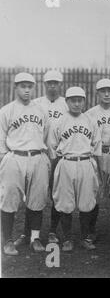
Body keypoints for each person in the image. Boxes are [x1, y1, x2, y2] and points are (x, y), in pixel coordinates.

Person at [13, 70, 68, 247]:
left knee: (57, 195)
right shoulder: (35, 104)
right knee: (33, 194)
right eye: (49, 82)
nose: (52, 85)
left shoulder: (66, 105)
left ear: (60, 84)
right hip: (40, 156)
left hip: (60, 156)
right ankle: (27, 232)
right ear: (44, 84)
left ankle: (52, 230)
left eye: (56, 82)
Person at [0, 72, 50, 255]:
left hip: (37, 156)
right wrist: (5, 159)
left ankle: (34, 238)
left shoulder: (40, 110)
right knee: (9, 199)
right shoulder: (6, 110)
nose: (27, 90)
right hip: (15, 157)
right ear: (16, 87)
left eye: (30, 86)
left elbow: (45, 134)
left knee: (37, 198)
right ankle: (7, 240)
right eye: (23, 86)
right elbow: (1, 139)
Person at [47, 86, 102, 252]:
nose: (77, 104)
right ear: (67, 102)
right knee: (65, 202)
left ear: (84, 101)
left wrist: (97, 171)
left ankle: (85, 238)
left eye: (80, 100)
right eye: (73, 100)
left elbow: (97, 146)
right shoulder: (59, 121)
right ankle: (67, 239)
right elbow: (52, 147)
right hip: (66, 162)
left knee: (87, 202)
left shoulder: (91, 120)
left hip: (86, 162)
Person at [86, 79, 110, 243]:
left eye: (109, 90)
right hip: (97, 155)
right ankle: (90, 231)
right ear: (97, 93)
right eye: (103, 91)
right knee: (93, 193)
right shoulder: (90, 114)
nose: (106, 94)